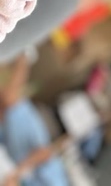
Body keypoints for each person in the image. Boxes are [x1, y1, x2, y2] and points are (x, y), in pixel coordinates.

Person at [0, 56, 70, 186]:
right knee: (10, 98)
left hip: (10, 146)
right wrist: (17, 173)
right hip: (25, 138)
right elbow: (44, 154)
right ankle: (24, 56)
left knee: (4, 102)